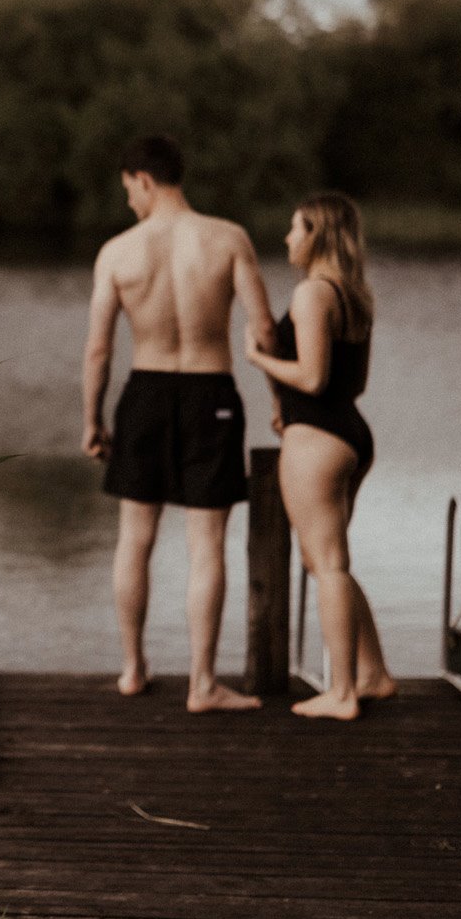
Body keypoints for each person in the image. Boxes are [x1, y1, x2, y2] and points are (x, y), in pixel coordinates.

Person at [82, 135, 276, 713]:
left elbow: (97, 352)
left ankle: (133, 669)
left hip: (144, 393)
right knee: (206, 545)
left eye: (128, 191)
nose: (128, 204)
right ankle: (201, 684)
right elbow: (264, 332)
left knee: (133, 539)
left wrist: (91, 419)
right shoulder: (228, 239)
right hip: (210, 393)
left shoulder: (117, 253)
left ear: (144, 179)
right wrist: (280, 401)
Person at [245, 193, 397, 721]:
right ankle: (373, 673)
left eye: (295, 228)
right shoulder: (355, 295)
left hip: (318, 440)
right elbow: (351, 381)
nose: (287, 239)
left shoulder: (312, 295)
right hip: (350, 432)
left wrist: (258, 356)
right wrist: (284, 403)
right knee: (328, 560)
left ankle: (342, 692)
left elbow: (313, 377)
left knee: (328, 564)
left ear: (317, 235)